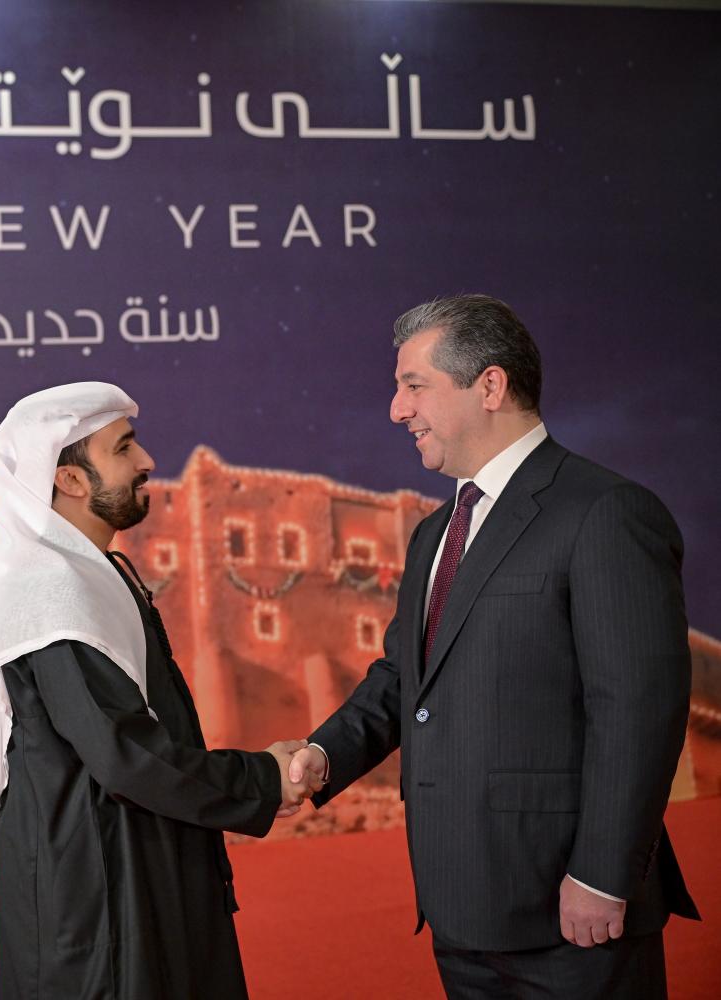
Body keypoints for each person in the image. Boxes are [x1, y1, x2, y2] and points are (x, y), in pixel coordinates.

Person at [288, 296, 698, 997]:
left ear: (489, 386)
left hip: (573, 913)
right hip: (460, 912)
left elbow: (637, 710)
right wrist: (324, 755)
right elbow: (404, 676)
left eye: (414, 385)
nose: (397, 409)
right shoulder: (433, 533)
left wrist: (603, 876)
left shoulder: (605, 512)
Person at [0, 382, 317, 999]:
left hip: (127, 866)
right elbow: (125, 755)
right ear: (70, 480)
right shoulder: (51, 595)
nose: (147, 460)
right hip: (95, 897)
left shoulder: (87, 575)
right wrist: (260, 779)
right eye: (124, 448)